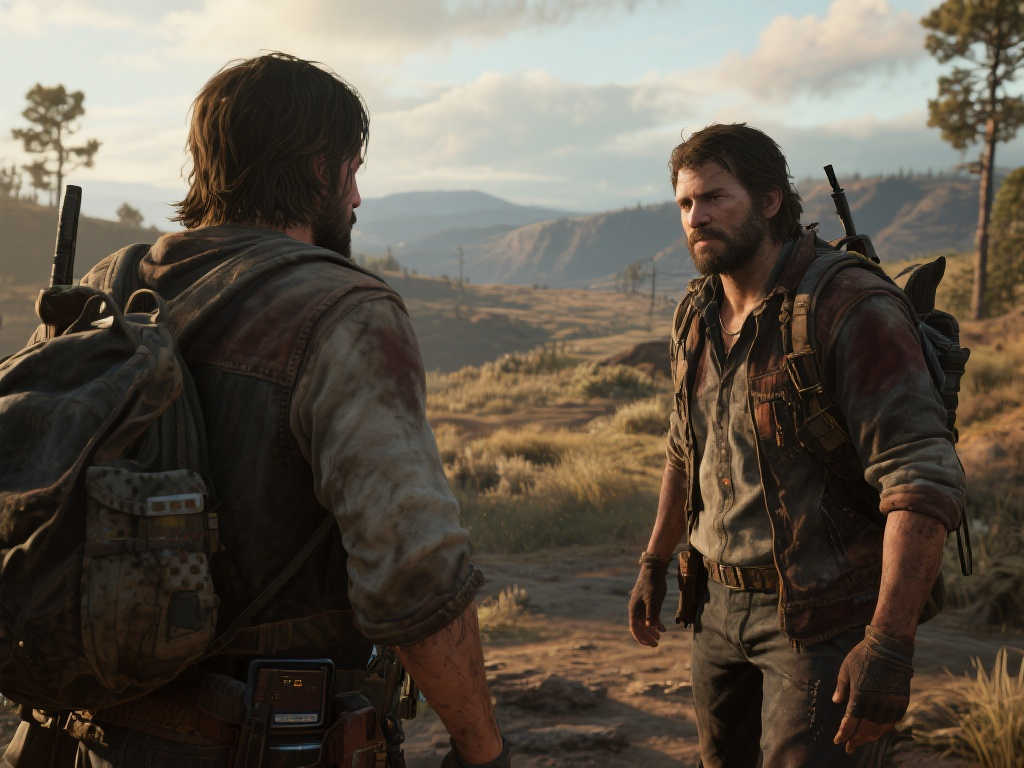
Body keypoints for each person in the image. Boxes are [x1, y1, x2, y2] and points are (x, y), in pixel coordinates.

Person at [1, 53, 507, 768]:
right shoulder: (344, 310)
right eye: (352, 171)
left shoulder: (103, 288)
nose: (357, 197)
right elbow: (414, 575)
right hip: (261, 744)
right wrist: (482, 749)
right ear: (318, 169)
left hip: (76, 737)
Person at [627, 123, 965, 768]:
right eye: (686, 203)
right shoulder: (696, 314)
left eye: (715, 197)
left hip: (823, 618)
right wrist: (655, 560)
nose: (696, 218)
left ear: (770, 200)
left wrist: (889, 644)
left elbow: (919, 481)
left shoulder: (849, 307)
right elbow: (683, 449)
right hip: (715, 608)